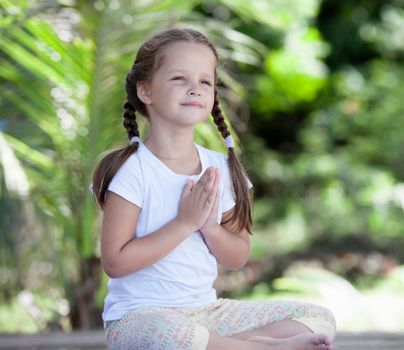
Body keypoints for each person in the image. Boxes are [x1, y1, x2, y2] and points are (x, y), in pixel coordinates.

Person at [91, 27, 336, 350]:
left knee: (318, 316)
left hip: (206, 313)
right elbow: (115, 263)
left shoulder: (220, 168)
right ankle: (263, 348)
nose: (195, 89)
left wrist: (209, 228)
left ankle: (224, 345)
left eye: (205, 81)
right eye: (179, 78)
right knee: (171, 334)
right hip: (140, 319)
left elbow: (237, 257)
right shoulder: (133, 170)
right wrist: (185, 223)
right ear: (146, 91)